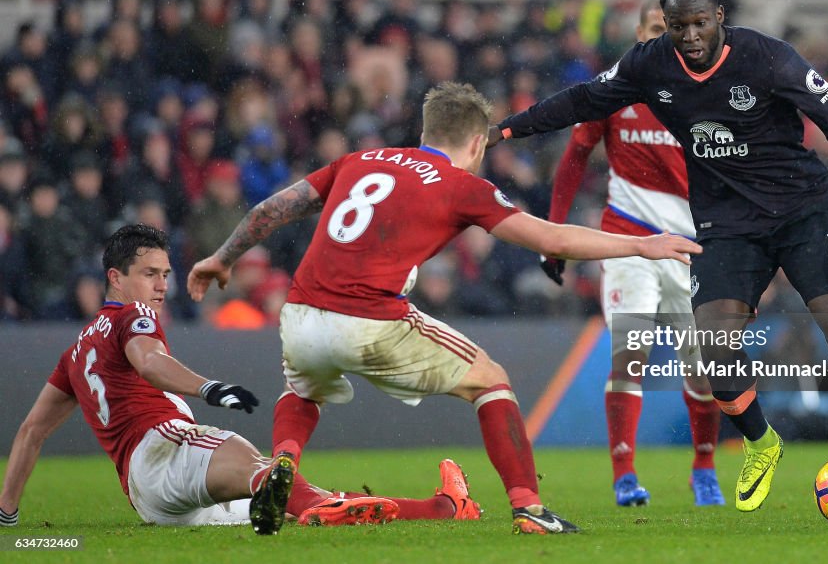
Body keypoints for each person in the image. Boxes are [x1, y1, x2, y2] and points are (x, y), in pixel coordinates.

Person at [488, 0, 828, 522]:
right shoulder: (650, 64)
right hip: (726, 225)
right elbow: (581, 100)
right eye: (677, 26)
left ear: (719, 17)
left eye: (698, 23)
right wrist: (506, 131)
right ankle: (762, 444)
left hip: (802, 213)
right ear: (665, 25)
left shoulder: (768, 58)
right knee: (714, 348)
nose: (689, 36)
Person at [187, 82, 702, 535]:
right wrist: (642, 244)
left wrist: (221, 257)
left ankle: (283, 462)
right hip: (369, 319)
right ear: (477, 142)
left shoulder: (361, 159)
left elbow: (272, 209)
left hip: (300, 315)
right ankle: (530, 508)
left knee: (303, 388)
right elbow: (549, 237)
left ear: (426, 130)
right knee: (490, 380)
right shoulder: (463, 186)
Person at [0, 224, 482, 533]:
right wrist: (209, 388)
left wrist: (7, 513)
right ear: (116, 278)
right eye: (149, 274)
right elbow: (148, 361)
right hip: (166, 447)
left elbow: (31, 432)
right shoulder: (133, 316)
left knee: (295, 503)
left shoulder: (76, 349)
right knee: (271, 473)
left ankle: (441, 508)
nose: (162, 286)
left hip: (147, 496)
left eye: (166, 273)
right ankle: (316, 495)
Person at [543, 0, 723, 508]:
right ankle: (624, 474)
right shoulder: (613, 88)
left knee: (702, 364)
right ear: (640, 33)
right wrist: (555, 232)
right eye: (654, 29)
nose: (662, 39)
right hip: (629, 241)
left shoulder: (702, 91)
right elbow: (576, 155)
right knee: (630, 354)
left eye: (671, 31)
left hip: (691, 245)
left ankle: (704, 469)